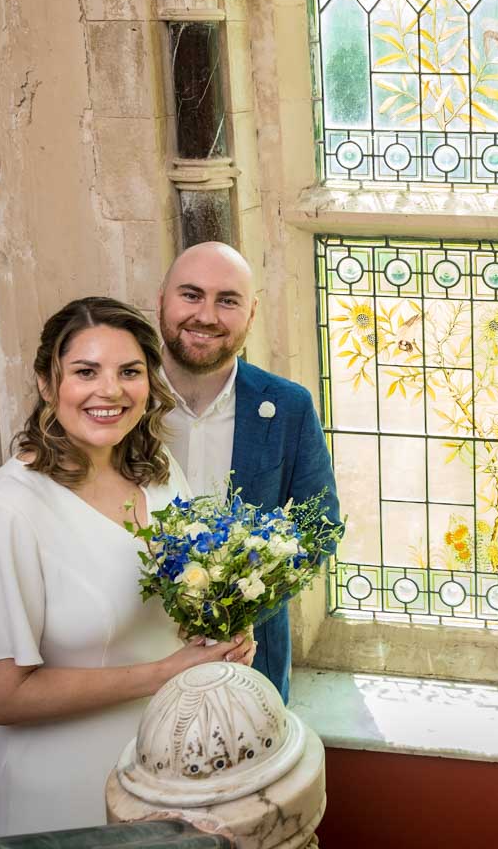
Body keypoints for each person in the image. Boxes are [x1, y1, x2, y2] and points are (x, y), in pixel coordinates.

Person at [0, 297, 255, 838]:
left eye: (129, 372)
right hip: (55, 786)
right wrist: (163, 673)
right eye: (85, 372)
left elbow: (185, 598)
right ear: (45, 382)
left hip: (166, 762)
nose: (110, 390)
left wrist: (224, 633)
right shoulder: (3, 512)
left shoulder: (160, 472)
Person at [158, 241, 338, 702]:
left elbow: (320, 529)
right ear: (162, 299)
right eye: (191, 295)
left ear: (251, 312)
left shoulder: (288, 406)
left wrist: (247, 601)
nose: (207, 315)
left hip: (249, 654)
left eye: (228, 300)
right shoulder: (119, 404)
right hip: (137, 651)